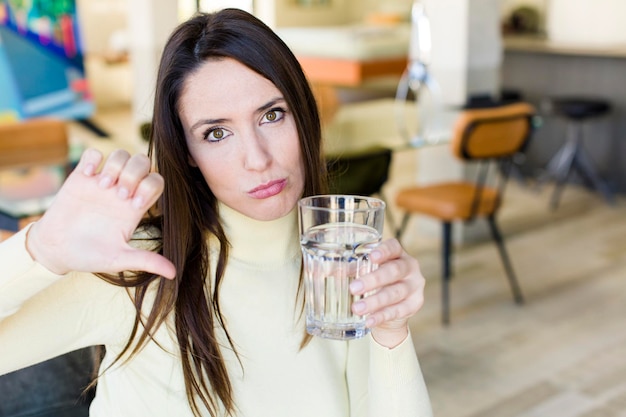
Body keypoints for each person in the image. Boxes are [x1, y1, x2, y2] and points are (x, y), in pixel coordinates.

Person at [0, 8, 433, 417]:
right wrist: (42, 249)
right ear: (186, 151)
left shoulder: (341, 266)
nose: (257, 159)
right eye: (217, 133)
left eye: (272, 115)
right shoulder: (136, 268)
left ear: (303, 115)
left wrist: (392, 333)